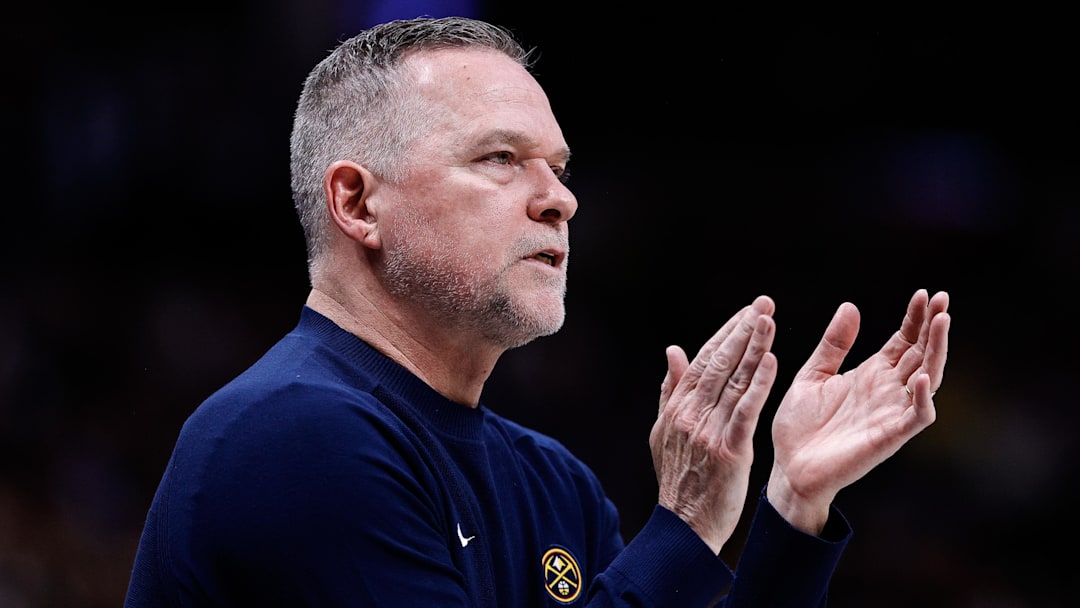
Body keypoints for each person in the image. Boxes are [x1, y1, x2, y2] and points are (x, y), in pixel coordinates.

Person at [124, 15, 951, 607]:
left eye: (557, 167)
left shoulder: (551, 480)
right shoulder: (292, 437)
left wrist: (792, 508)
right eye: (501, 159)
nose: (560, 199)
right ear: (357, 202)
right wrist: (688, 525)